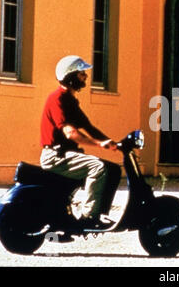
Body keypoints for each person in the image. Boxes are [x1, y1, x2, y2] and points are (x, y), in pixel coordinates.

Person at [40, 55, 121, 229]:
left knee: (113, 169)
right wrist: (99, 144)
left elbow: (89, 127)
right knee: (97, 167)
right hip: (55, 156)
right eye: (81, 73)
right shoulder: (57, 99)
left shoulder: (71, 100)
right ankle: (88, 217)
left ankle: (100, 214)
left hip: (66, 154)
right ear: (70, 77)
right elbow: (71, 133)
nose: (85, 76)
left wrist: (114, 144)